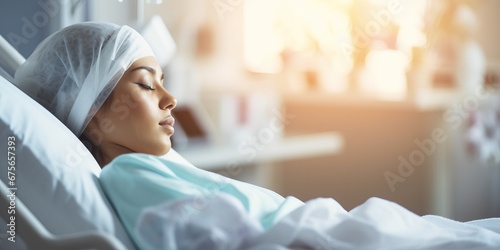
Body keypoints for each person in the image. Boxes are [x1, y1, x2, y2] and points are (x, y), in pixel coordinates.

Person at [13, 22, 500, 250]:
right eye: (145, 84)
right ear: (92, 115)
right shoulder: (129, 174)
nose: (170, 99)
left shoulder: (151, 168)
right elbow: (219, 238)